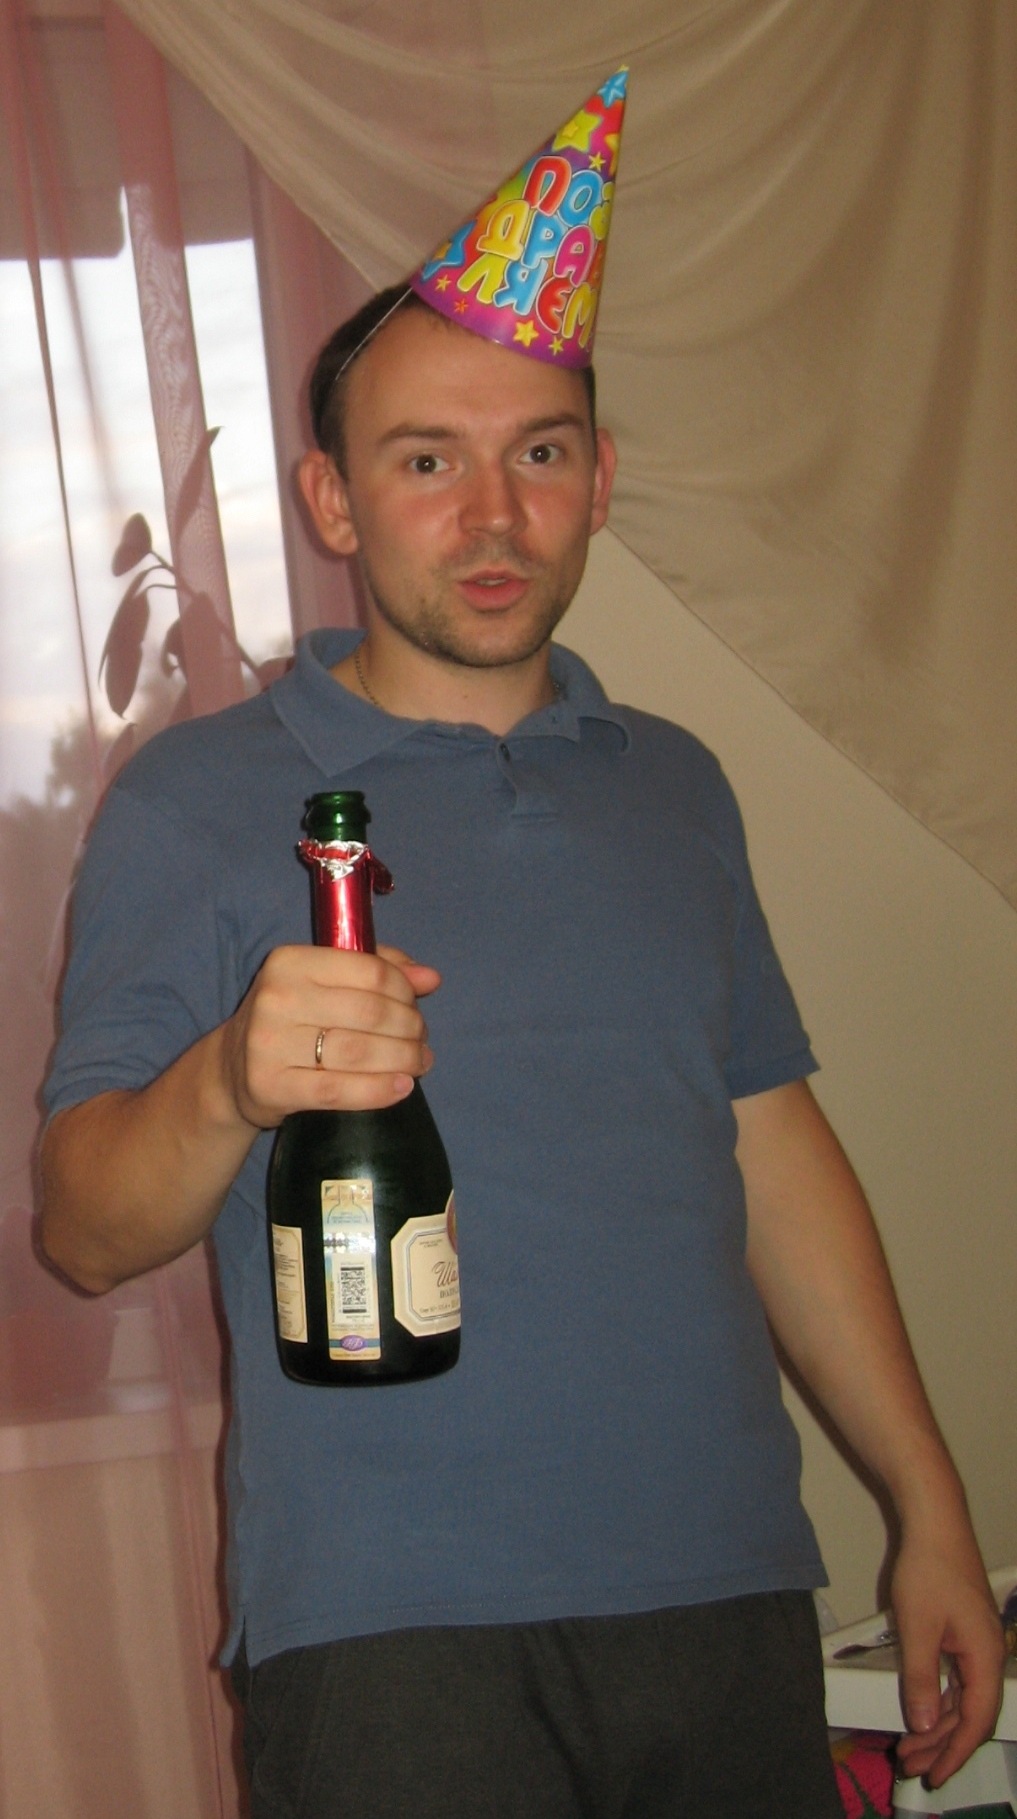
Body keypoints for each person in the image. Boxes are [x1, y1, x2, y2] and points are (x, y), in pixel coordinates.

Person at [40, 78, 1003, 1819]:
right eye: (428, 461)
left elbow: (769, 1147)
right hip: (386, 1637)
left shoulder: (673, 786)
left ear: (598, 482)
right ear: (335, 500)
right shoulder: (193, 803)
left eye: (538, 455)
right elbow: (84, 1232)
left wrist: (924, 1504)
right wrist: (229, 1082)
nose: (491, 516)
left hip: (723, 1589)